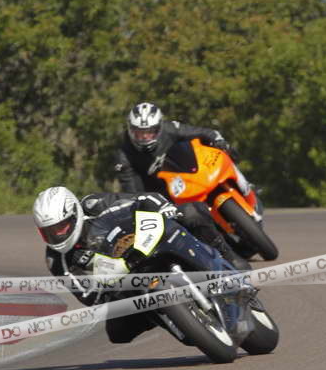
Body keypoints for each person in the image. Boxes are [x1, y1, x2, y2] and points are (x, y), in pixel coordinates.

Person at [33, 186, 240, 344]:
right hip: (126, 279)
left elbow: (143, 198)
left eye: (61, 227)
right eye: (49, 231)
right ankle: (167, 315)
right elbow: (88, 297)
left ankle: (229, 259)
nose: (57, 235)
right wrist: (106, 286)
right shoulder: (56, 259)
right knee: (118, 333)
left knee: (192, 211)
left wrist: (164, 209)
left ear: (74, 214)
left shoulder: (96, 205)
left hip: (148, 240)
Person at [114, 102, 253, 197]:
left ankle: (245, 185)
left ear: (159, 128)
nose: (145, 137)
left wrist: (219, 141)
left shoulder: (170, 129)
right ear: (130, 130)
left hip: (190, 172)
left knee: (226, 150)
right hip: (162, 194)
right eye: (139, 132)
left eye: (150, 132)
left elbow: (204, 132)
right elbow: (132, 192)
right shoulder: (124, 156)